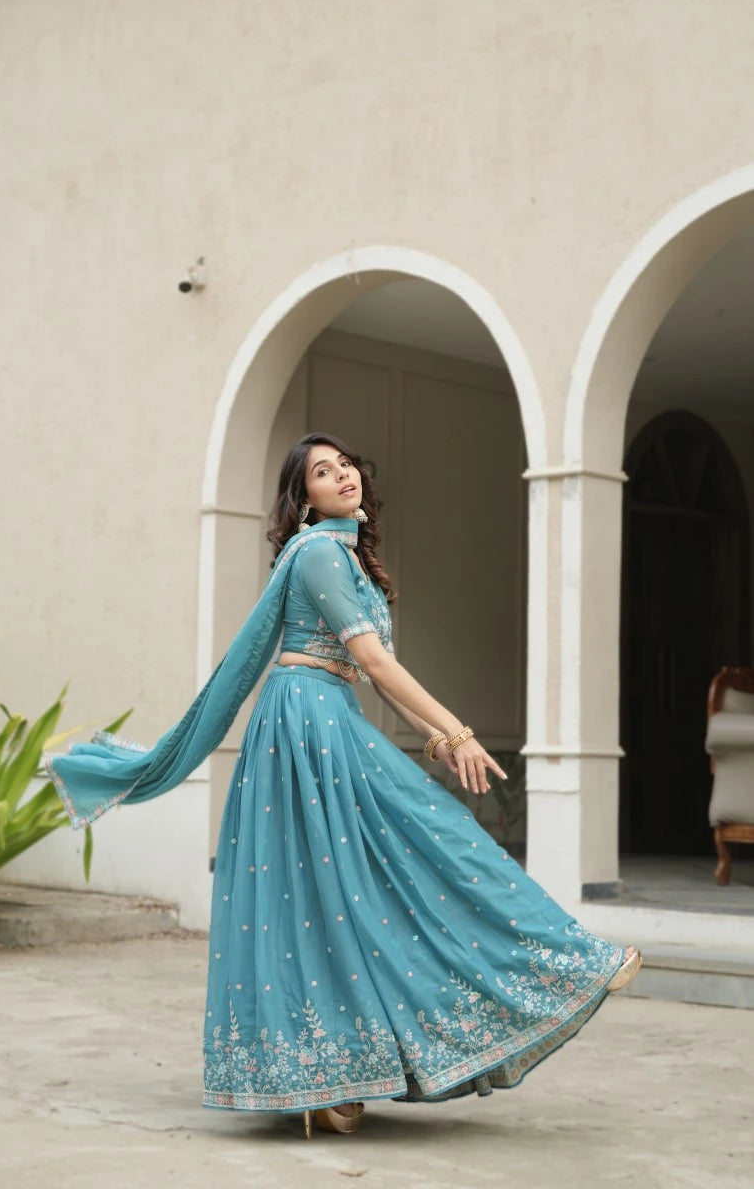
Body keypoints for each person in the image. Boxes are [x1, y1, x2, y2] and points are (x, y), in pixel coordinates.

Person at [46, 430, 641, 1139]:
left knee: (331, 894)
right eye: (322, 473)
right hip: (308, 723)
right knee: (428, 840)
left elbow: (367, 669)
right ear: (304, 501)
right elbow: (375, 662)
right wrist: (455, 732)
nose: (341, 476)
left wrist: (431, 731)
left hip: (321, 714)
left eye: (344, 464)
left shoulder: (343, 555)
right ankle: (567, 960)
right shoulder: (322, 553)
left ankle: (330, 1083)